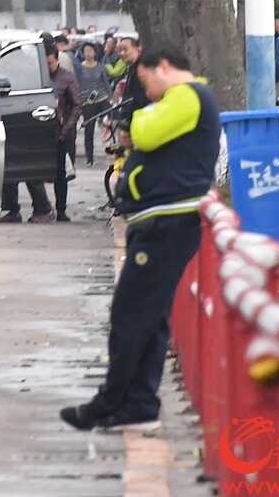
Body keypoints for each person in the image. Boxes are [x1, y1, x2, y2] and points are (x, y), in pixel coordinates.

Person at [60, 47, 221, 431]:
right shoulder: (188, 98)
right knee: (149, 316)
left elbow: (142, 132)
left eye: (146, 79)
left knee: (129, 314)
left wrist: (139, 123)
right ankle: (139, 403)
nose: (147, 91)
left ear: (163, 67)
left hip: (167, 222)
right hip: (162, 220)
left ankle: (110, 400)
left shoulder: (188, 96)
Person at [46, 44, 82, 221]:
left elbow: (77, 105)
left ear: (56, 60)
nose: (48, 66)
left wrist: (66, 128)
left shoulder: (66, 78)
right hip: (43, 130)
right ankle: (42, 207)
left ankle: (61, 208)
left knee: (61, 173)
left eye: (50, 63)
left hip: (62, 132)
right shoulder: (41, 77)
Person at [76, 42, 110, 166]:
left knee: (109, 123)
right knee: (89, 130)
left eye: (91, 50)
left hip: (102, 99)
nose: (88, 53)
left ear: (95, 52)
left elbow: (105, 83)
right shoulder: (79, 67)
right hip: (87, 103)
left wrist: (111, 98)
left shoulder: (100, 67)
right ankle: (89, 158)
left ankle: (111, 151)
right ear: (83, 53)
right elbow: (77, 85)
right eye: (86, 51)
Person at [114, 36, 149, 121]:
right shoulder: (130, 67)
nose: (122, 53)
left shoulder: (143, 69)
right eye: (120, 50)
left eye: (125, 49)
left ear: (137, 48)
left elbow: (138, 99)